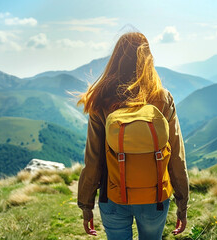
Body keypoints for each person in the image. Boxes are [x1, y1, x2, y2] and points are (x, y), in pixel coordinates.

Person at [76, 31, 189, 240]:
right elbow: (176, 156)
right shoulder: (162, 98)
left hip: (113, 197)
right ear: (148, 59)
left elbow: (93, 160)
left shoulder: (100, 99)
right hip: (155, 198)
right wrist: (183, 203)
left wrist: (86, 205)